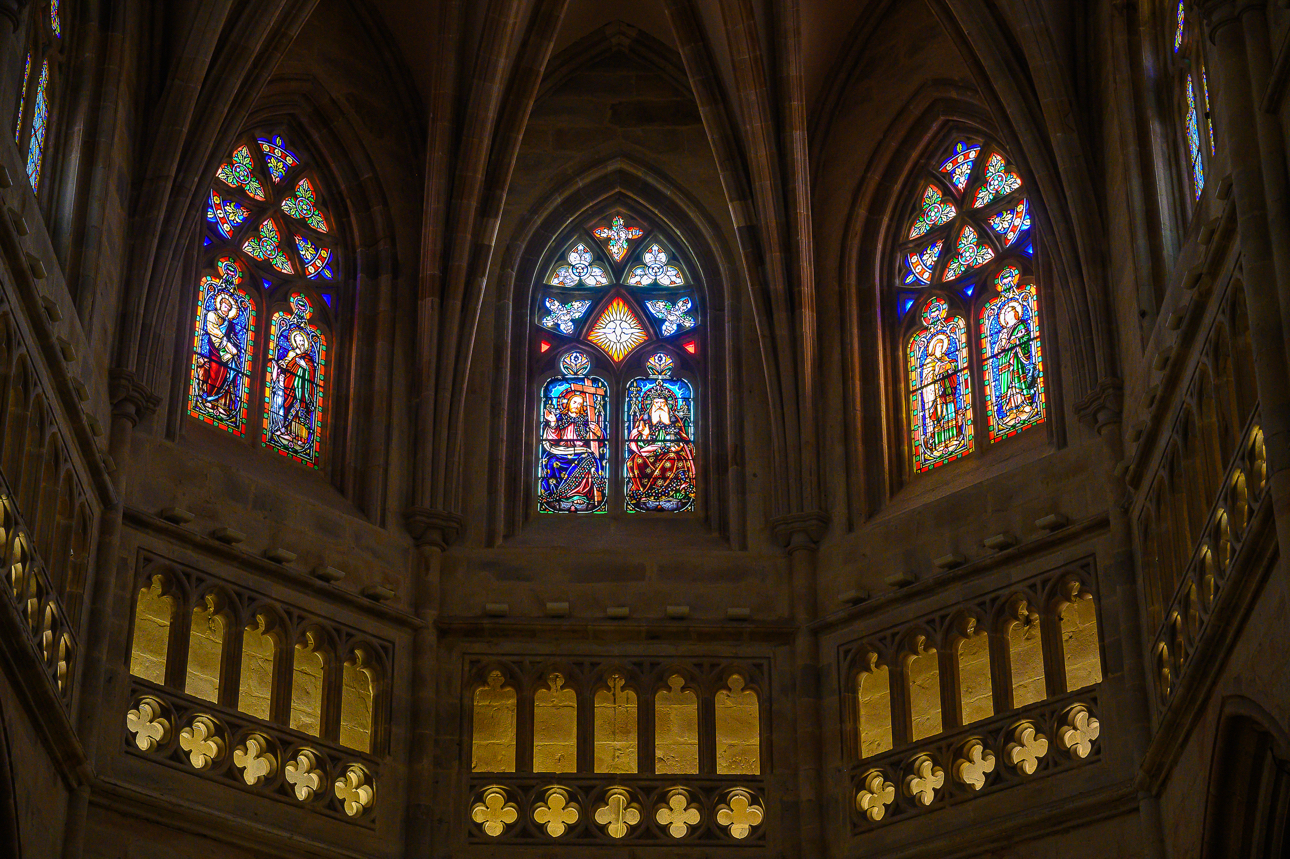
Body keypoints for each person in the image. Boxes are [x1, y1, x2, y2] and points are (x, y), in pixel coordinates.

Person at [626, 382, 695, 511]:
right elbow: (634, 441)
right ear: (651, 405)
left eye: (662, 403)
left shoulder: (674, 421)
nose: (659, 406)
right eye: (656, 403)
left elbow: (684, 440)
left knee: (674, 458)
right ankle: (644, 491)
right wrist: (645, 436)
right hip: (648, 454)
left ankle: (670, 492)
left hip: (669, 453)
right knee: (634, 460)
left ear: (667, 405)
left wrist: (679, 446)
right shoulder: (645, 419)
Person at [539, 387, 606, 512]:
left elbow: (597, 440)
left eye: (580, 403)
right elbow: (552, 440)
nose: (577, 405)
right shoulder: (559, 418)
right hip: (560, 451)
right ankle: (559, 495)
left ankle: (579, 495)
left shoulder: (586, 420)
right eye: (574, 402)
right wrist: (553, 423)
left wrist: (598, 433)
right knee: (551, 462)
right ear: (568, 403)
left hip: (580, 452)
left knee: (589, 459)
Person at [268, 327, 317, 450]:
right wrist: (282, 364)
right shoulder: (291, 353)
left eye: (302, 340)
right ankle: (287, 432)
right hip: (290, 385)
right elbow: (286, 362)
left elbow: (311, 371)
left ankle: (301, 439)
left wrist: (304, 366)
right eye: (298, 340)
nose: (300, 343)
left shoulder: (308, 357)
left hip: (303, 390)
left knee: (301, 411)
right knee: (287, 408)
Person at [195, 292, 242, 418]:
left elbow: (234, 337)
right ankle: (209, 399)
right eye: (225, 307)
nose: (227, 310)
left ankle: (221, 404)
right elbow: (213, 330)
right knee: (215, 374)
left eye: (229, 308)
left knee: (226, 376)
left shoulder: (230, 323)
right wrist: (227, 345)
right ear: (220, 305)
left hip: (227, 354)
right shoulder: (212, 315)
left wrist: (235, 348)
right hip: (216, 349)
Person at [919, 333, 964, 457]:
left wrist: (949, 366)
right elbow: (927, 378)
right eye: (938, 347)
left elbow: (953, 367)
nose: (940, 349)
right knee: (940, 418)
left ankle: (952, 438)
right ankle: (939, 444)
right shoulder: (929, 361)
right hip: (937, 395)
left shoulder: (945, 358)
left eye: (941, 347)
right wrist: (938, 370)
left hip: (947, 392)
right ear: (933, 349)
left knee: (950, 415)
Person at [995, 301, 1038, 425]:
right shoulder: (1003, 332)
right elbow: (997, 350)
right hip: (1004, 363)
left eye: (1010, 311)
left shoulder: (1020, 326)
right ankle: (1010, 411)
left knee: (1017, 380)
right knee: (1007, 385)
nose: (1007, 314)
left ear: (1016, 313)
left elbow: (1025, 338)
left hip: (1016, 359)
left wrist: (1017, 340)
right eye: (1006, 312)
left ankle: (1024, 404)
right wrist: (1001, 345)